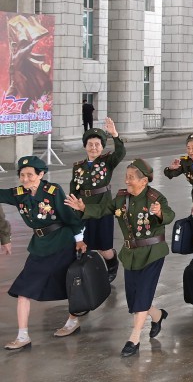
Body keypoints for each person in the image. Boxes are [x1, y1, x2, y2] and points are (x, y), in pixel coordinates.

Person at [66, 159, 175, 357]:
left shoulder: (154, 197)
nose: (127, 181)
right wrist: (83, 208)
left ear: (144, 181)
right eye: (126, 176)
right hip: (131, 254)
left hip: (153, 253)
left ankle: (134, 338)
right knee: (134, 300)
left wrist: (159, 213)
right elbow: (102, 210)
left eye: (131, 178)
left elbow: (169, 215)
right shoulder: (121, 198)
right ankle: (157, 316)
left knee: (142, 294)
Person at [0, 156, 86, 350]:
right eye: (22, 175)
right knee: (23, 290)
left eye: (30, 175)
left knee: (71, 284)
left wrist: (79, 240)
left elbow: (70, 218)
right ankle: (23, 337)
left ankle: (73, 322)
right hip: (39, 246)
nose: (25, 179)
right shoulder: (19, 194)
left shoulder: (53, 191)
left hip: (62, 243)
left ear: (40, 174)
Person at [71, 119, 125, 283]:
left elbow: (120, 153)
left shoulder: (107, 161)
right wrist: (73, 206)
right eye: (90, 144)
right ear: (85, 146)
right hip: (83, 208)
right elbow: (74, 186)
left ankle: (112, 263)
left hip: (102, 209)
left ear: (102, 147)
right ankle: (87, 274)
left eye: (97, 144)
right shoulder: (78, 166)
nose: (93, 147)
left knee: (104, 249)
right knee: (83, 245)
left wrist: (115, 135)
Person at [163, 133, 193, 206]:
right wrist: (171, 168)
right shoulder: (185, 162)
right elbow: (170, 174)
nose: (190, 151)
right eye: (188, 148)